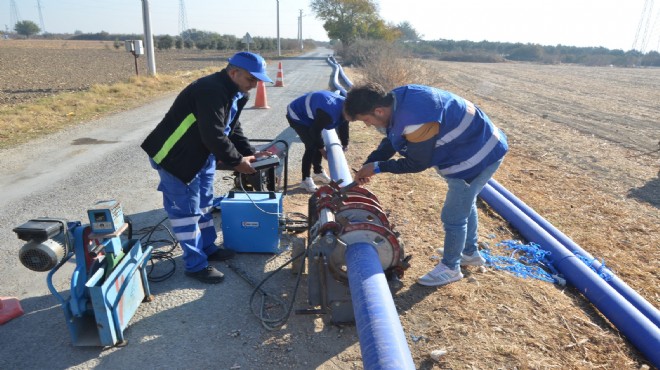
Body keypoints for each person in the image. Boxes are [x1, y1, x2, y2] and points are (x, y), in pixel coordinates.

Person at [344, 82, 508, 287]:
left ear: (378, 110)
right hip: (472, 145)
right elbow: (392, 138)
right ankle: (469, 252)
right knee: (465, 203)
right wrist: (371, 162)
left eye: (366, 120)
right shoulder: (396, 100)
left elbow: (417, 163)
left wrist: (378, 167)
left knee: (454, 215)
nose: (368, 125)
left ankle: (451, 267)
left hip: (478, 155)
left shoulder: (416, 120)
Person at [141, 52, 273, 284]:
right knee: (186, 212)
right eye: (252, 79)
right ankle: (195, 264)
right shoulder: (210, 90)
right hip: (177, 157)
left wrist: (248, 153)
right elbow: (212, 133)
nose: (255, 85)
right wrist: (236, 162)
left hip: (202, 155)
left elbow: (232, 127)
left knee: (204, 204)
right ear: (234, 73)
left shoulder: (235, 92)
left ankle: (207, 247)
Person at [286, 90, 350, 192]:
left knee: (317, 141)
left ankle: (317, 172)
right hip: (297, 114)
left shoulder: (347, 105)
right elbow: (314, 131)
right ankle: (305, 180)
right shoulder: (329, 113)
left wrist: (345, 143)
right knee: (311, 146)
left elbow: (344, 123)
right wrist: (322, 150)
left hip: (310, 113)